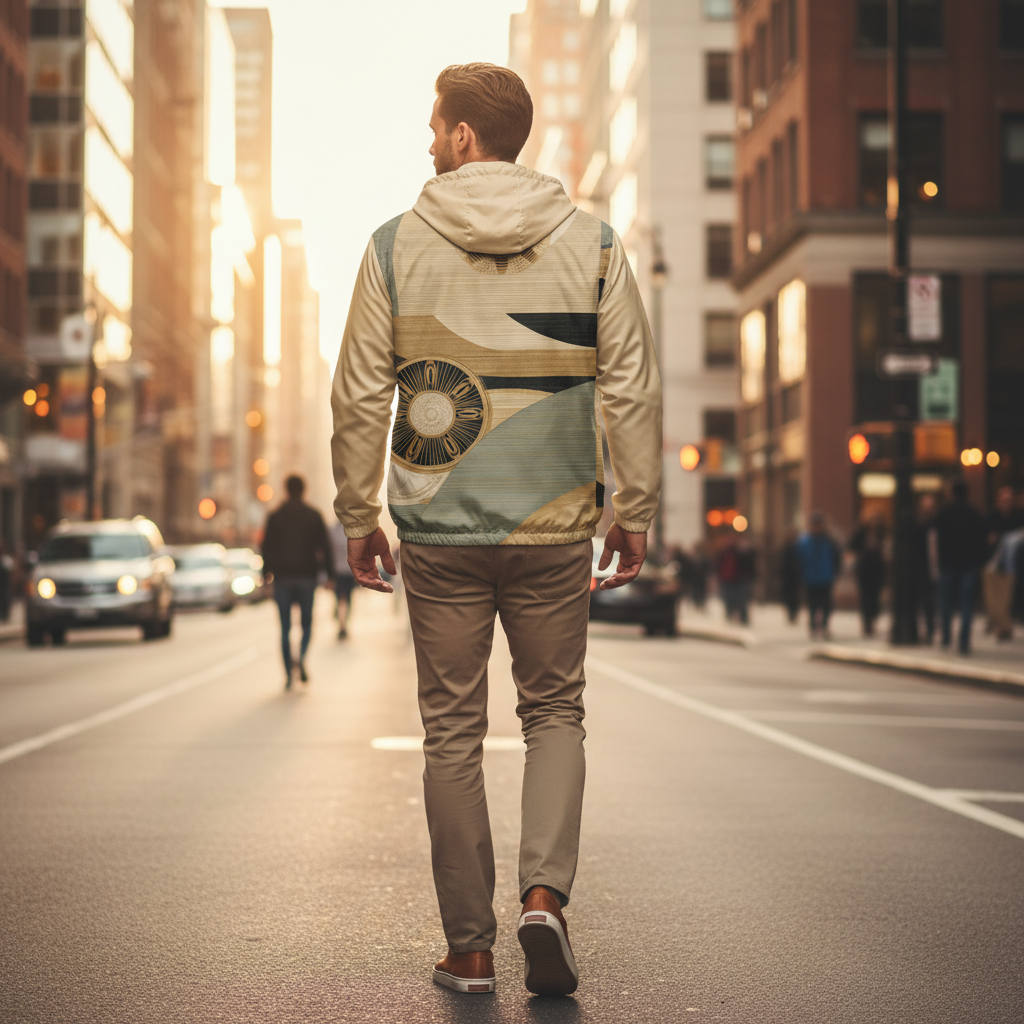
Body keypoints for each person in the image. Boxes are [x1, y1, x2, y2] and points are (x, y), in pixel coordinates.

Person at [330, 63, 661, 998]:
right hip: (555, 521)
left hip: (439, 528)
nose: (429, 143)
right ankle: (545, 899)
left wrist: (361, 513)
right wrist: (631, 506)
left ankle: (470, 951)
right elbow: (630, 382)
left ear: (467, 136)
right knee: (555, 711)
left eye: (437, 127)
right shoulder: (595, 245)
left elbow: (359, 391)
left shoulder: (394, 246)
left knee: (452, 734)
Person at [261, 474, 333, 688]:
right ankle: (300, 657)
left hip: (282, 578)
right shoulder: (313, 515)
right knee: (307, 624)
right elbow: (325, 547)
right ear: (304, 490)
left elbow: (266, 548)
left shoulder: (275, 516)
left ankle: (288, 674)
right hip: (306, 577)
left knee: (284, 628)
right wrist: (330, 575)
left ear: (285, 490)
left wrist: (265, 576)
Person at [935, 479, 987, 654]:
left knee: (946, 602)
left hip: (948, 563)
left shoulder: (944, 513)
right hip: (968, 564)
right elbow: (981, 542)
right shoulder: (974, 514)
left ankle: (946, 637)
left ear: (952, 493)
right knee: (966, 604)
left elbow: (936, 540)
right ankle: (964, 641)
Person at [797, 512, 841, 639]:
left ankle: (824, 626)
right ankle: (813, 627)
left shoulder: (829, 541)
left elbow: (836, 557)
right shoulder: (804, 542)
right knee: (812, 605)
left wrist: (835, 572)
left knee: (827, 604)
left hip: (826, 577)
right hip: (810, 578)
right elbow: (799, 560)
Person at [848, 513, 887, 637]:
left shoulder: (882, 534)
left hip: (878, 569)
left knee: (875, 597)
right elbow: (851, 547)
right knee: (865, 597)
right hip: (864, 570)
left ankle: (873, 617)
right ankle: (866, 624)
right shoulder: (861, 533)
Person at [912, 493, 938, 644]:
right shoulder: (918, 524)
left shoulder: (938, 523)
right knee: (924, 601)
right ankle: (926, 630)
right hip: (921, 568)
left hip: (935, 567)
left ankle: (931, 629)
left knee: (931, 602)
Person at [329, 519, 355, 639]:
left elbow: (328, 553)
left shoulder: (332, 531)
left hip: (337, 571)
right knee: (347, 599)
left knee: (340, 599)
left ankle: (341, 622)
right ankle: (343, 623)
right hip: (349, 571)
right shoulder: (352, 530)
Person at [778, 529, 802, 624]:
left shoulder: (798, 548)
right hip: (787, 577)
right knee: (788, 596)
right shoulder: (786, 548)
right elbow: (781, 563)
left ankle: (794, 613)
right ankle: (790, 613)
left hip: (796, 576)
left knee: (795, 597)